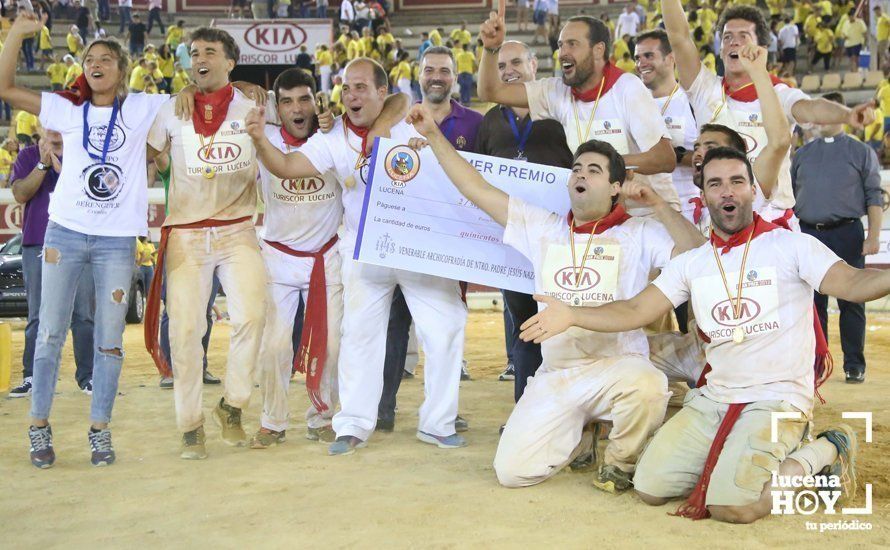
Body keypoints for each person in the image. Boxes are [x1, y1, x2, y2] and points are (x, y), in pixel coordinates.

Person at [519, 146, 873, 524]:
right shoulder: (693, 263)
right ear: (703, 196)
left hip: (777, 398)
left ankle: (825, 450)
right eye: (715, 184)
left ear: (753, 189)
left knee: (734, 506)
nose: (727, 191)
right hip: (715, 399)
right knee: (650, 487)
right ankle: (744, 456)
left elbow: (851, 282)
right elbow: (636, 310)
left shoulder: (791, 246)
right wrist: (572, 313)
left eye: (737, 181)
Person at [406, 103, 705, 491]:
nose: (581, 174)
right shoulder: (543, 228)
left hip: (619, 367)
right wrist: (433, 134)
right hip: (557, 375)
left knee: (647, 383)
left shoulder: (641, 232)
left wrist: (658, 205)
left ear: (616, 187)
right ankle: (580, 429)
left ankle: (620, 461)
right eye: (577, 169)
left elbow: (699, 254)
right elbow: (475, 188)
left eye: (594, 170)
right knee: (513, 472)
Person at [245, 57, 468, 455]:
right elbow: (286, 167)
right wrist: (261, 139)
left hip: (420, 247)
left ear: (383, 93)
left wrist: (415, 139)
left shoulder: (410, 119)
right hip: (366, 249)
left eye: (362, 87)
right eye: (346, 88)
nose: (351, 95)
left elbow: (415, 118)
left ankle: (437, 423)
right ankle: (352, 425)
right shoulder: (331, 137)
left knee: (445, 328)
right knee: (358, 337)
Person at [0, 13, 172, 469]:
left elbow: (199, 99)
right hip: (65, 235)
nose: (96, 64)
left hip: (117, 241)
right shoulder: (65, 107)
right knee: (50, 333)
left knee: (110, 340)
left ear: (122, 68)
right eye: (90, 59)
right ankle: (38, 427)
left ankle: (100, 429)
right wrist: (17, 34)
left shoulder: (142, 107)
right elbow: (7, 88)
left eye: (106, 59)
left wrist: (251, 91)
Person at [146, 27, 268, 460]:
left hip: (238, 229)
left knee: (253, 316)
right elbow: (145, 156)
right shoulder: (169, 108)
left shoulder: (256, 104)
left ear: (229, 62)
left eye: (210, 52)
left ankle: (232, 405)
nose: (200, 58)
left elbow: (298, 128)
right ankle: (190, 426)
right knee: (184, 332)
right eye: (194, 52)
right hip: (186, 234)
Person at [660, 0, 874, 226]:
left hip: (771, 218)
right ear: (720, 49)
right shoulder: (704, 88)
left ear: (761, 47)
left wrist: (847, 115)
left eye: (743, 36)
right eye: (727, 37)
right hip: (717, 218)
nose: (734, 42)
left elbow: (811, 108)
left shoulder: (778, 93)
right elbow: (679, 37)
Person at [372, 46, 481, 432]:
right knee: (393, 326)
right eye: (430, 69)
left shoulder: (475, 123)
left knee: (445, 330)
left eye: (445, 71)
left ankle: (441, 412)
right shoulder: (399, 122)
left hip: (452, 246)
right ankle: (382, 408)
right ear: (419, 75)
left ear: (456, 77)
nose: (437, 76)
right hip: (405, 241)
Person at [478, 8, 680, 212]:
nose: (562, 52)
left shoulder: (627, 88)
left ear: (598, 50)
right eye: (560, 45)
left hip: (649, 216)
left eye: (572, 44)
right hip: (601, 219)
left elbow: (665, 158)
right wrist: (491, 49)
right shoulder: (557, 91)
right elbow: (491, 92)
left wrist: (607, 165)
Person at [250, 69, 343, 449]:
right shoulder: (265, 137)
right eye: (286, 101)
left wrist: (334, 118)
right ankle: (272, 420)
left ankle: (323, 416)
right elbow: (229, 93)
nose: (296, 108)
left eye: (304, 99)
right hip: (278, 257)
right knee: (274, 345)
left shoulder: (334, 136)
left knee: (333, 344)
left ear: (316, 100)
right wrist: (255, 97)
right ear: (276, 106)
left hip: (327, 256)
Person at [475, 40, 573, 398]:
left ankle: (571, 411)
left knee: (564, 326)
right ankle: (525, 408)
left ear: (534, 65)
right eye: (501, 66)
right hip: (514, 243)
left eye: (515, 62)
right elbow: (475, 177)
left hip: (559, 241)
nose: (508, 71)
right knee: (525, 328)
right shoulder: (489, 122)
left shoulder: (559, 112)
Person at [792, 91, 884, 384]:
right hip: (808, 234)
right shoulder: (802, 154)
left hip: (847, 232)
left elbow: (874, 196)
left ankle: (854, 364)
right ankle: (817, 362)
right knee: (811, 303)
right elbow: (791, 196)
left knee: (852, 302)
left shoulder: (861, 152)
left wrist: (874, 236)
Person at [8, 129, 95, 399]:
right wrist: (43, 164)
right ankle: (32, 376)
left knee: (83, 314)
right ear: (41, 129)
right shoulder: (27, 156)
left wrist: (64, 164)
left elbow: (92, 191)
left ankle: (88, 377)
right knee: (38, 314)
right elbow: (20, 194)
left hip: (80, 241)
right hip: (38, 242)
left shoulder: (81, 154)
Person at [634, 30, 699, 223]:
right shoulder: (630, 102)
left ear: (670, 58)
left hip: (687, 208)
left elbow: (712, 156)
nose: (641, 64)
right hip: (643, 210)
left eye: (648, 56)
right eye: (637, 58)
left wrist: (673, 155)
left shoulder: (692, 101)